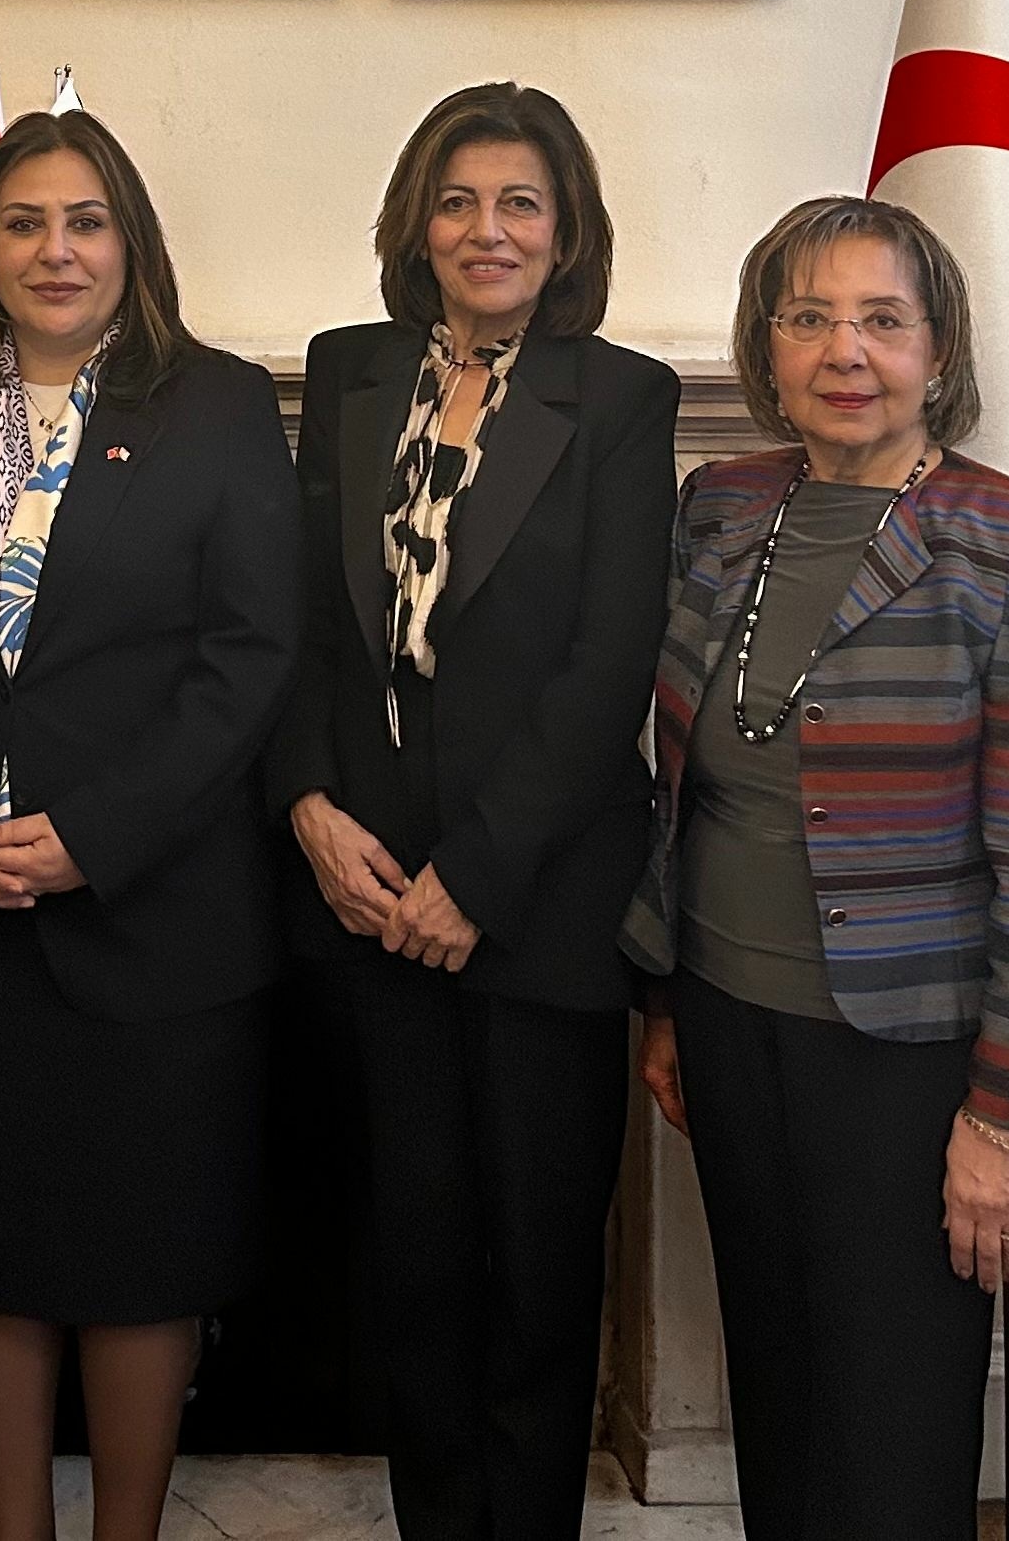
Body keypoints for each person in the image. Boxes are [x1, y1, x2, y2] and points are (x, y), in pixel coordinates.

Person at [626, 196, 1009, 1541]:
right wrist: (666, 1000)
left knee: (892, 1427)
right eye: (808, 318)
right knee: (780, 1390)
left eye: (881, 320)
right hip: (728, 1021)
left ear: (938, 349)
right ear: (766, 347)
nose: (844, 351)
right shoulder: (721, 506)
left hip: (911, 1062)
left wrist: (1006, 1123)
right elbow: (686, 787)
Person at [0, 110, 300, 1541]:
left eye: (85, 221)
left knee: (145, 1257)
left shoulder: (216, 405)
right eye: (23, 222)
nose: (55, 250)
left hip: (152, 920)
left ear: (131, 242)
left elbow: (250, 658)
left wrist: (95, 835)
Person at [275, 85, 676, 1541]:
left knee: (536, 1277)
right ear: (417, 224)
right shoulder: (350, 373)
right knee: (415, 1269)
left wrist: (478, 880)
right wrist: (309, 807)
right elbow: (300, 622)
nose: (486, 230)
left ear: (565, 232)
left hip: (538, 911)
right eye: (457, 201)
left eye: (519, 203)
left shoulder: (619, 399)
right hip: (370, 901)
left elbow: (607, 666)